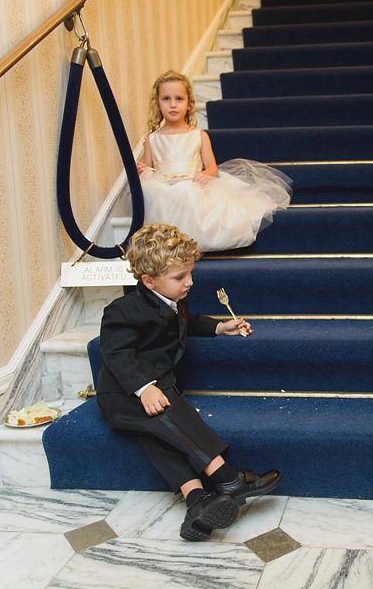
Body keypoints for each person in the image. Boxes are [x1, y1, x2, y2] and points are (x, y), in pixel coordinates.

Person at [97, 222, 281, 541]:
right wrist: (144, 389)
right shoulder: (122, 311)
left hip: (158, 382)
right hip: (123, 392)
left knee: (157, 436)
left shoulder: (173, 298)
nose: (190, 283)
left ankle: (196, 503)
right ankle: (227, 478)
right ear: (148, 280)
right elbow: (116, 355)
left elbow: (186, 323)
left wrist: (219, 328)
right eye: (180, 277)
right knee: (175, 415)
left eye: (190, 273)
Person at [137, 70, 292, 252]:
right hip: (164, 186)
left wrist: (204, 175)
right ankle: (169, 241)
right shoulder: (152, 139)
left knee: (186, 191)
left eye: (179, 99)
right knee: (150, 188)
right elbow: (148, 169)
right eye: (166, 99)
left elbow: (212, 168)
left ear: (188, 104)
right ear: (157, 103)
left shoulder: (198, 135)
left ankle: (191, 241)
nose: (173, 104)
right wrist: (141, 169)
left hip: (192, 183)